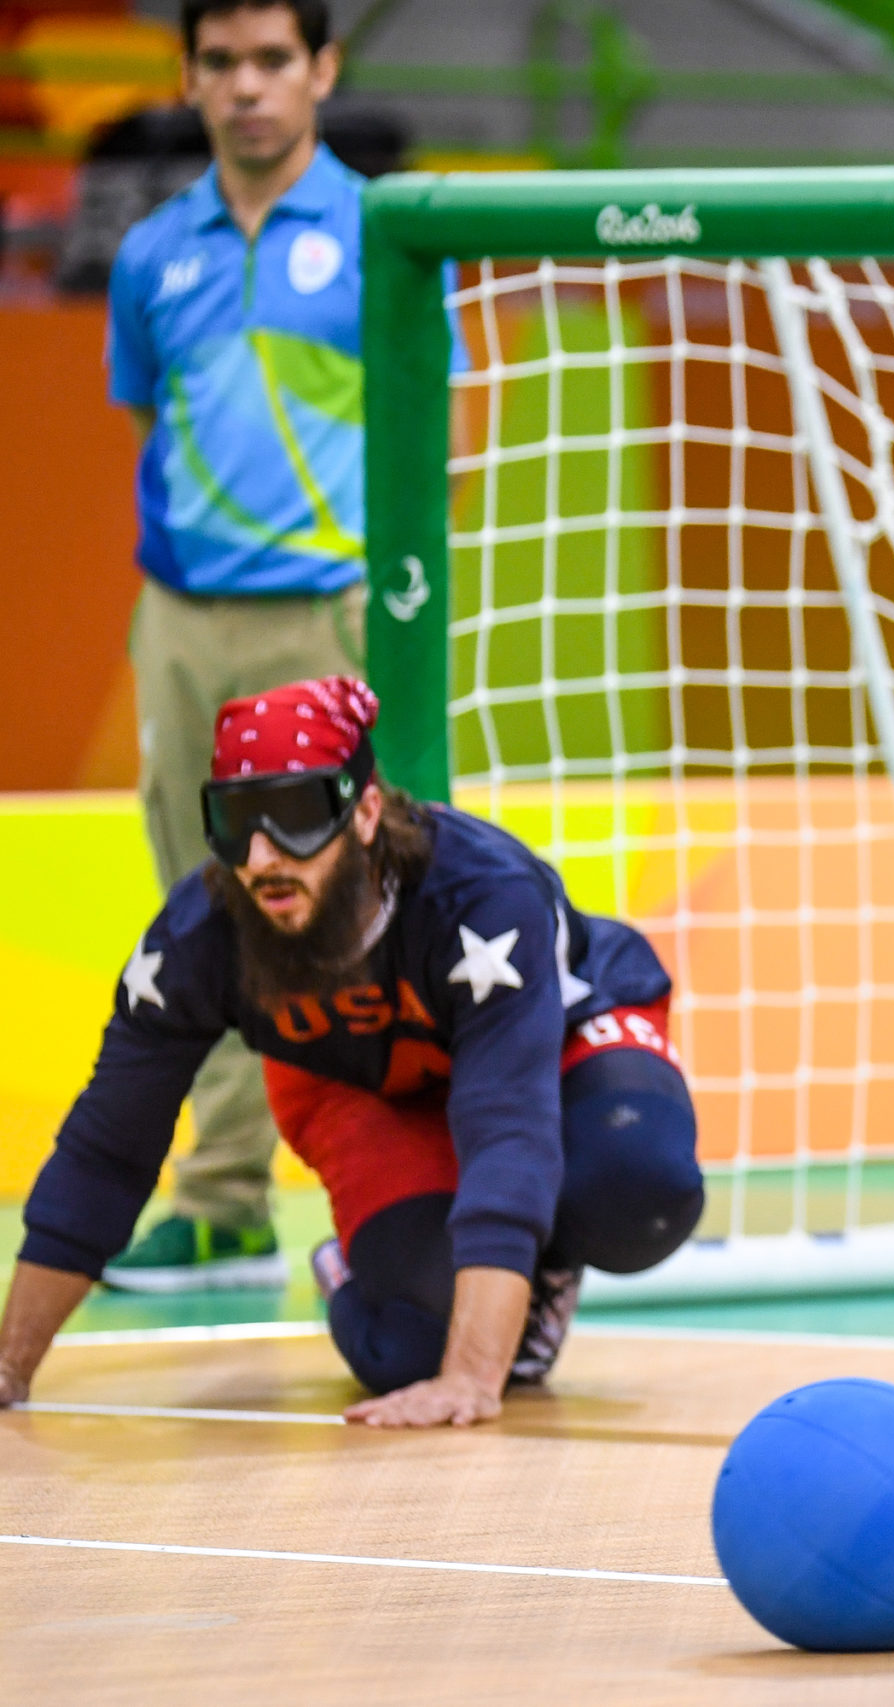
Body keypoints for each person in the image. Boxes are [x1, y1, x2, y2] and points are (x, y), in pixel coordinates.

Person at [0, 678, 705, 1427]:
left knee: (639, 1180)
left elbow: (510, 1125)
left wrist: (472, 1378)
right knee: (403, 1348)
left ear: (365, 812)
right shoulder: (196, 940)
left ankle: (544, 1263)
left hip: (554, 1036)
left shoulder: (481, 898)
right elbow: (109, 1148)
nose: (264, 854)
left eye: (298, 815)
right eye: (236, 821)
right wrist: (9, 1366)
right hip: (362, 1082)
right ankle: (366, 1263)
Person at [101, 0, 405, 1290]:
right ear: (189, 77)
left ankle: (390, 1200)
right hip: (180, 619)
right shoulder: (151, 254)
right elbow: (145, 426)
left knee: (357, 914)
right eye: (220, 63)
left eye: (273, 60)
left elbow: (421, 440)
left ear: (323, 70)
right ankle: (223, 1204)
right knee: (202, 900)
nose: (247, 89)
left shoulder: (381, 238)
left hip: (321, 616)